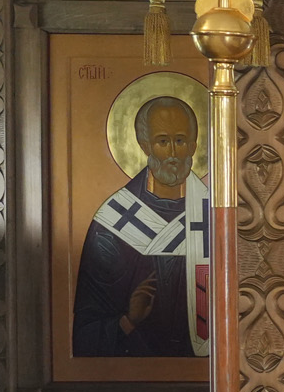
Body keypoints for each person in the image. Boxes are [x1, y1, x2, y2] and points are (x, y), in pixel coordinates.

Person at [72, 95, 210, 357]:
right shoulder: (112, 223)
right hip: (134, 367)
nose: (172, 153)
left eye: (180, 140)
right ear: (145, 146)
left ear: (193, 146)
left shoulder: (214, 214)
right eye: (162, 141)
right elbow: (86, 333)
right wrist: (129, 320)